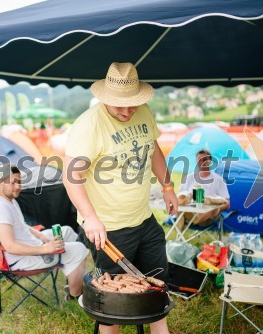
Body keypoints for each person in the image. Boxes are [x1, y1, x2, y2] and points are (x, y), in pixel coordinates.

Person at [63, 62, 177, 334]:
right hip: (109, 228)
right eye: (119, 106)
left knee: (156, 289)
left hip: (145, 220)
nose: (127, 112)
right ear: (105, 98)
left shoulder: (144, 112)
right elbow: (70, 176)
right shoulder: (89, 125)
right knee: (111, 303)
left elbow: (153, 150)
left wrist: (168, 186)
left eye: (132, 105)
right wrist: (90, 218)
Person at [0, 165, 89, 301]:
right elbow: (10, 247)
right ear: (0, 183)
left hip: (31, 243)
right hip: (21, 258)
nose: (17, 187)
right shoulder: (1, 208)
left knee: (67, 231)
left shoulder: (8, 200)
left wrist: (41, 236)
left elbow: (22, 225)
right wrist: (45, 248)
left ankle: (72, 275)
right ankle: (74, 296)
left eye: (19, 182)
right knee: (79, 250)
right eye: (13, 182)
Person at [177, 149, 230, 226]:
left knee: (213, 209)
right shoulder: (189, 178)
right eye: (199, 160)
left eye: (205, 159)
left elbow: (227, 204)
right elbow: (180, 197)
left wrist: (214, 208)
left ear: (210, 161)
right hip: (190, 210)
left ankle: (194, 220)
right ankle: (190, 218)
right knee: (180, 203)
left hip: (208, 216)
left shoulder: (219, 180)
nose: (202, 162)